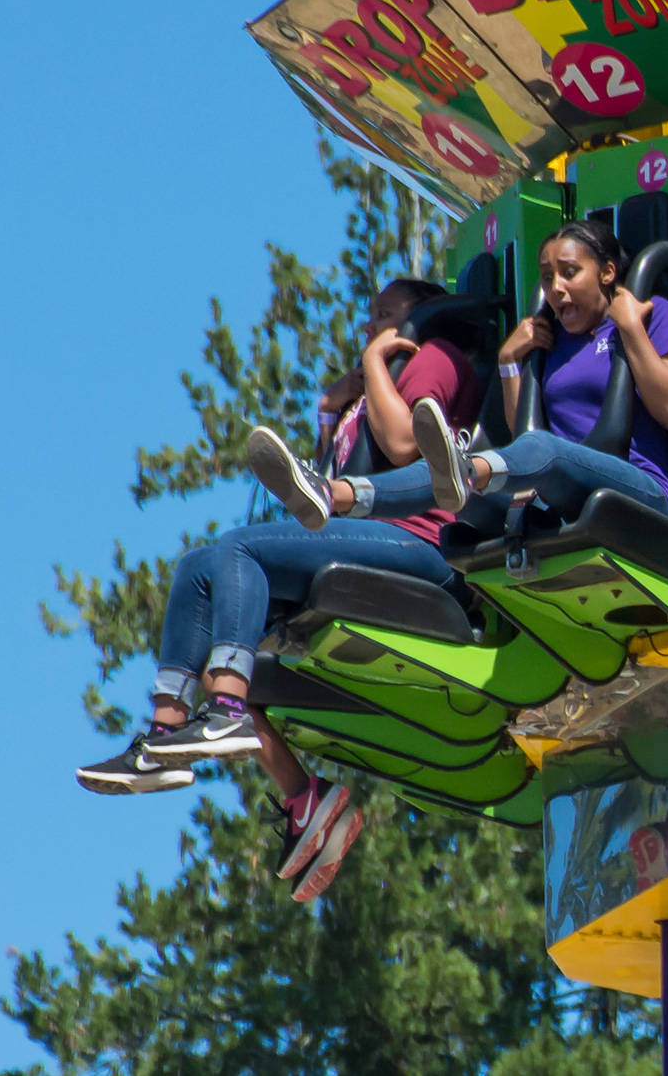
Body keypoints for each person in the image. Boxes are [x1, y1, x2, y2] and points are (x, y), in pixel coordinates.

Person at [75, 278, 480, 903]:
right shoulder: (364, 394)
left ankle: (227, 712)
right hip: (363, 540)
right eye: (370, 318)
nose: (369, 328)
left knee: (241, 547)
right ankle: (168, 735)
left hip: (419, 544)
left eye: (385, 316)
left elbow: (404, 448)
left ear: (420, 315)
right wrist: (332, 404)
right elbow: (327, 487)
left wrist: (374, 364)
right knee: (201, 568)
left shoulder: (436, 357)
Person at [250, 218, 668, 539]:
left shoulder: (650, 316)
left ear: (607, 273)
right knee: (448, 481)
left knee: (491, 467)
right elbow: (526, 438)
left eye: (569, 273)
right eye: (547, 276)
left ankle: (465, 469)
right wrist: (509, 362)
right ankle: (333, 495)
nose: (555, 288)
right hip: (565, 486)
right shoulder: (554, 343)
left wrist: (630, 327)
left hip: (642, 486)